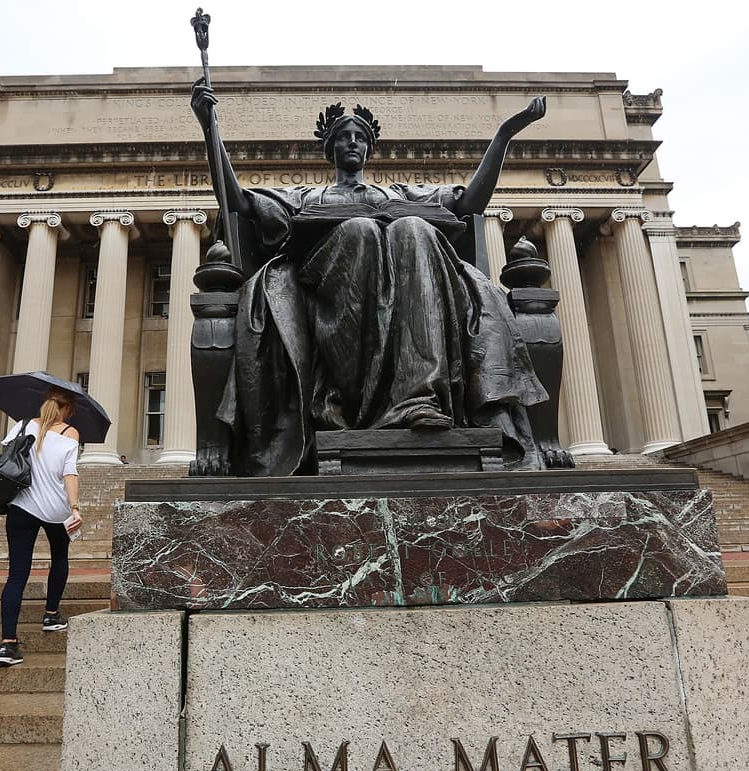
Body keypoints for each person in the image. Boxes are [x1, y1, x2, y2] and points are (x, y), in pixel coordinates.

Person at [191, 82, 551, 476]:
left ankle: (419, 400)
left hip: (406, 292)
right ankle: (343, 402)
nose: (352, 143)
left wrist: (503, 135)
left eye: (359, 137)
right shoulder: (307, 196)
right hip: (327, 292)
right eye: (343, 137)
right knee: (359, 230)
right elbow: (238, 201)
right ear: (330, 149)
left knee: (413, 228)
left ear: (368, 148)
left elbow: (469, 204)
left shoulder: (397, 194)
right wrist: (209, 128)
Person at [0, 387, 82, 666]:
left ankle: (8, 644)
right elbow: (69, 474)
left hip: (21, 507)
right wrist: (75, 506)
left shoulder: (21, 426)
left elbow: (6, 459)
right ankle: (51, 614)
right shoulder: (70, 434)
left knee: (17, 575)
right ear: (67, 410)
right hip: (56, 510)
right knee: (59, 557)